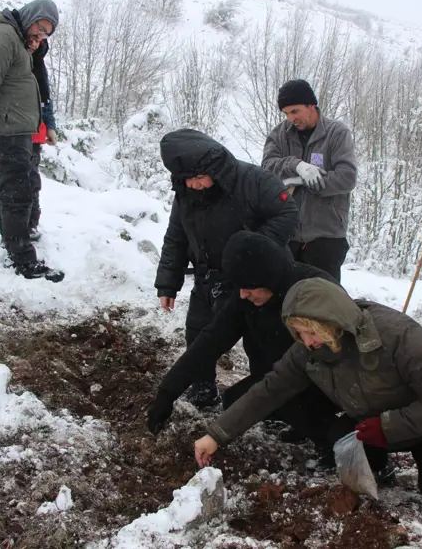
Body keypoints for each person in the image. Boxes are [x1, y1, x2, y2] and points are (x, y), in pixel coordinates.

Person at [193, 278, 422, 514]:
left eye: (311, 331)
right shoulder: (309, 350)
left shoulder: (398, 335)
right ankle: (379, 466)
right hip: (376, 423)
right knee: (339, 436)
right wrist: (217, 434)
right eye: (299, 333)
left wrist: (388, 426)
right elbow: (269, 390)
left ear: (331, 321)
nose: (307, 342)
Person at [147, 230, 339, 448]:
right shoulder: (247, 298)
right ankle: (297, 416)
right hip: (273, 379)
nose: (242, 295)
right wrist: (167, 392)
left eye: (248, 289)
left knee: (325, 429)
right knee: (234, 401)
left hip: (321, 383)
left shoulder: (315, 290)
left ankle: (325, 429)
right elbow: (211, 341)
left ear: (268, 279)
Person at [155, 130, 299, 408]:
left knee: (261, 344)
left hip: (256, 280)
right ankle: (203, 387)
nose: (194, 185)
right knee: (198, 333)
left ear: (214, 169)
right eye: (187, 180)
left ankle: (273, 401)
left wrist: (251, 253)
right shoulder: (185, 194)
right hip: (209, 277)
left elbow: (287, 214)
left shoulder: (253, 181)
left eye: (198, 178)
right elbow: (176, 236)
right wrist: (167, 282)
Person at [0, 0, 64, 282]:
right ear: (31, 17)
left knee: (18, 190)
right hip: (0, 132)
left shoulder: (18, 39)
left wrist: (47, 122)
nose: (41, 36)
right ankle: (21, 259)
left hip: (13, 130)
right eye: (40, 28)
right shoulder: (1, 37)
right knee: (16, 193)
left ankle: (15, 244)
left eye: (47, 33)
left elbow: (36, 84)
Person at [261, 79, 357, 282]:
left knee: (323, 302)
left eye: (295, 111)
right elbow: (267, 167)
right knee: (285, 298)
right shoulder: (279, 135)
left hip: (326, 236)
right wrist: (295, 166)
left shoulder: (336, 134)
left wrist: (305, 182)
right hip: (287, 235)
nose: (290, 118)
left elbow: (347, 178)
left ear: (311, 105)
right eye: (286, 113)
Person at [23, 34, 59, 241]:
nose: (35, 44)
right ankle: (17, 228)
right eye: (33, 40)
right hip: (16, 131)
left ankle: (31, 224)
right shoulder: (15, 60)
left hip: (35, 132)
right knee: (18, 182)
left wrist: (50, 127)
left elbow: (45, 99)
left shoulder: (38, 65)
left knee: (32, 181)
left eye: (39, 41)